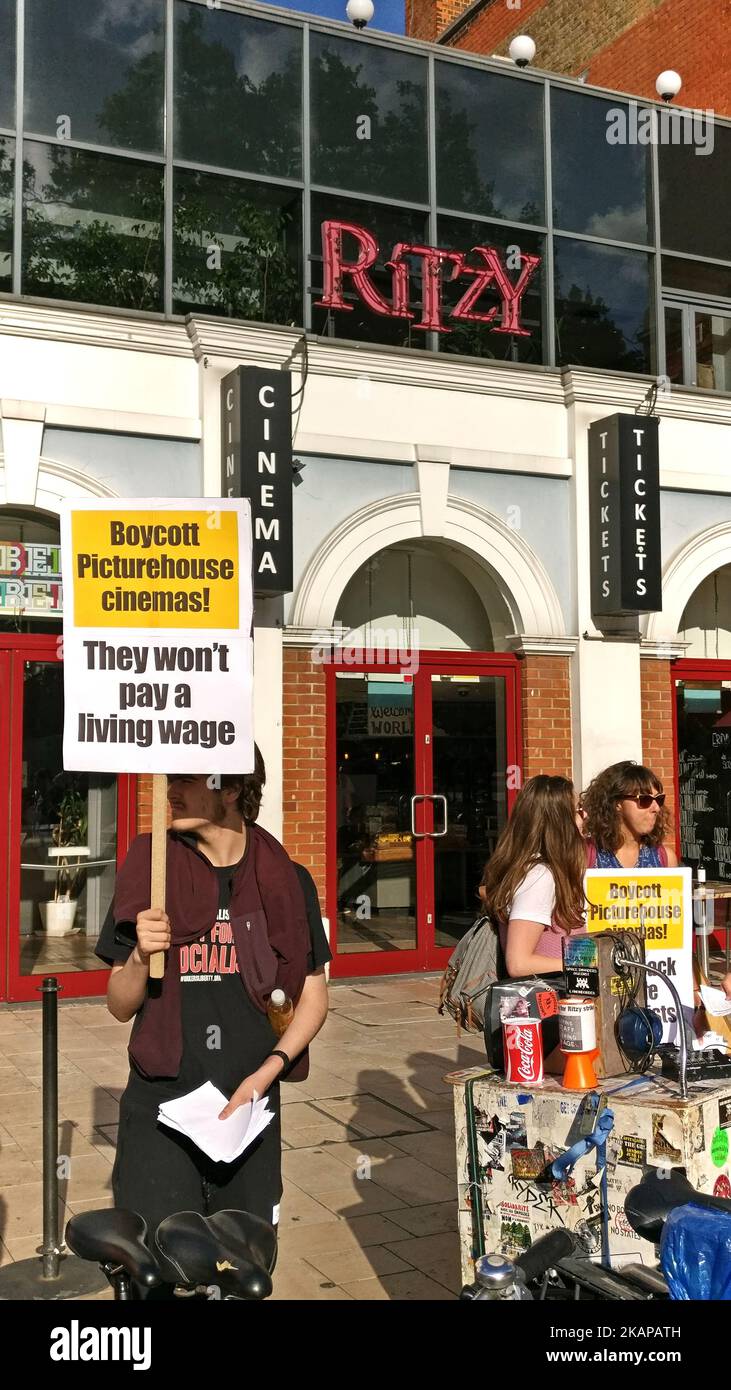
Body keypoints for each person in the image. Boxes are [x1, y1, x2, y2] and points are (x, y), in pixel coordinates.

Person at [95, 748, 330, 1287]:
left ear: (230, 788)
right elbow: (118, 1003)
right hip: (161, 1110)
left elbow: (313, 998)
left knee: (242, 1270)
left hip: (247, 1113)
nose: (167, 791)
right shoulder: (149, 869)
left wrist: (264, 1076)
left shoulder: (287, 880)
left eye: (183, 778)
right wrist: (137, 957)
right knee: (156, 1269)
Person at [479, 774, 587, 978]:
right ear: (559, 822)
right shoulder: (539, 877)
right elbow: (519, 963)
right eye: (577, 811)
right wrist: (585, 966)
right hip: (547, 1002)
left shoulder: (537, 871)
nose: (583, 817)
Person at [581, 760, 678, 869]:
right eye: (645, 799)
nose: (656, 808)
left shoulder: (665, 859)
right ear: (617, 803)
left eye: (659, 799)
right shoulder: (584, 855)